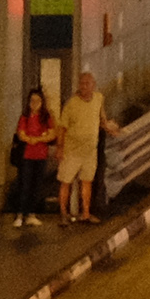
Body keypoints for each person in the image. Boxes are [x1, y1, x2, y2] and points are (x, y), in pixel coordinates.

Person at [55, 74, 104, 224]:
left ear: (93, 85)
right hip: (72, 151)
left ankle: (86, 213)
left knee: (87, 181)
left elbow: (102, 118)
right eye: (82, 84)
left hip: (90, 151)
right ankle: (63, 213)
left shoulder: (99, 99)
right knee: (66, 181)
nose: (84, 86)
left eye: (87, 83)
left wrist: (109, 128)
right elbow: (62, 127)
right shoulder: (71, 104)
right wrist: (60, 148)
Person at [6, 89, 57, 230]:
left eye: (37, 101)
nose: (34, 104)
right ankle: (20, 214)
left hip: (41, 155)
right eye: (32, 101)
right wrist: (35, 138)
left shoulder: (46, 117)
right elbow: (21, 134)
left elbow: (52, 134)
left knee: (37, 185)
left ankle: (31, 214)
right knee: (25, 184)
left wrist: (37, 139)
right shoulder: (25, 117)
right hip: (27, 156)